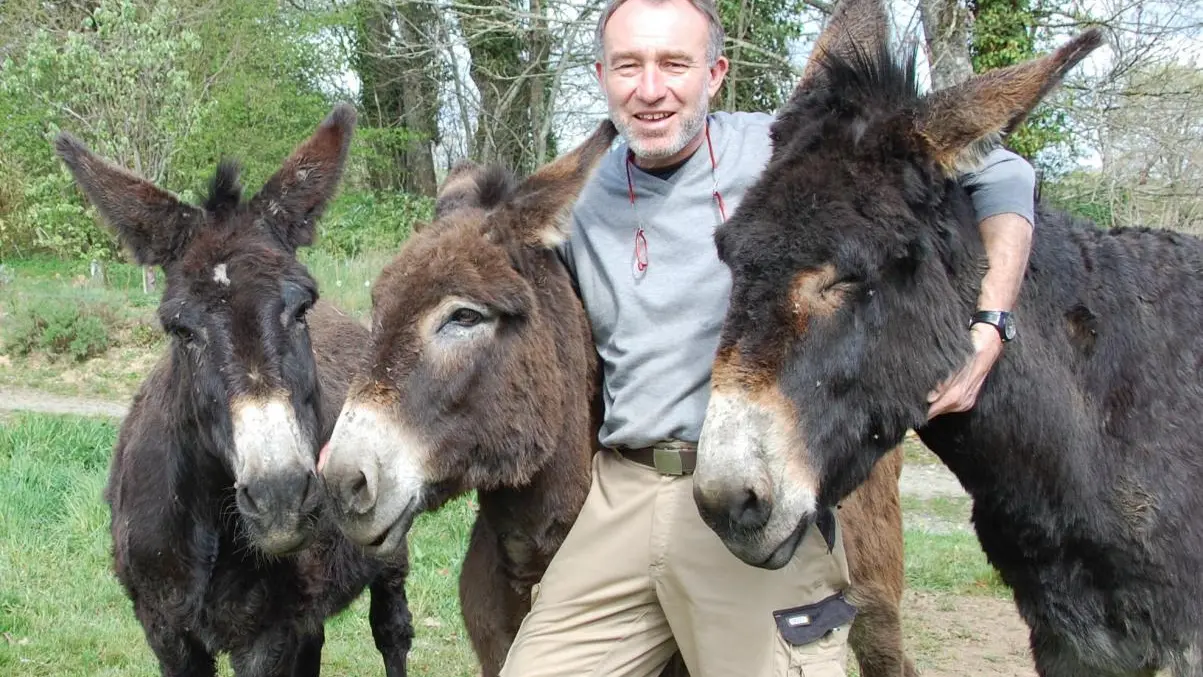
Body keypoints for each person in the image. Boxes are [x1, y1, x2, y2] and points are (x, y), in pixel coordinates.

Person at [498, 0, 1037, 675]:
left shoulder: (789, 150)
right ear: (602, 75)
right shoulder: (575, 192)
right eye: (628, 65)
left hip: (752, 488)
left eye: (674, 64)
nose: (650, 89)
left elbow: (1003, 172)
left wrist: (991, 321)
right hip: (622, 494)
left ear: (715, 73)